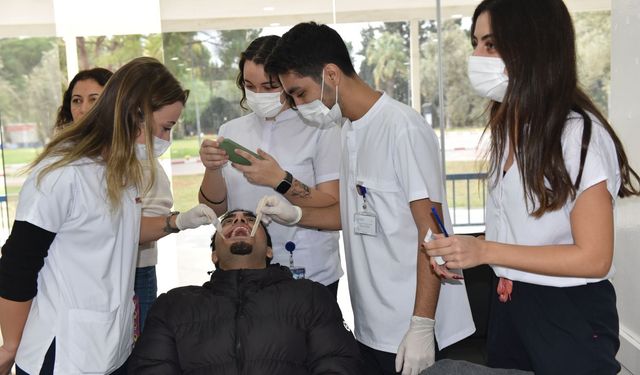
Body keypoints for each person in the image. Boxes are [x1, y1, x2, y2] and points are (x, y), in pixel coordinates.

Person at [424, 1, 640, 374]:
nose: (475, 56)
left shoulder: (578, 134)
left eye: (490, 44)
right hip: (511, 303)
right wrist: (463, 251)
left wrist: (486, 250)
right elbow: (520, 232)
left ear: (533, 46)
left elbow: (594, 257)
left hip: (567, 313)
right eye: (475, 43)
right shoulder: (509, 129)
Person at [260, 22, 475, 375]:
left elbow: (433, 235)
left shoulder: (401, 128)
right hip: (371, 324)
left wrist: (422, 324)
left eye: (299, 93)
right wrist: (295, 215)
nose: (298, 106)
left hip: (413, 324)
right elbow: (351, 214)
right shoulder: (347, 130)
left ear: (331, 74)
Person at [0, 57, 210, 374]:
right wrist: (11, 346)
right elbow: (17, 264)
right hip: (63, 351)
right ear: (134, 114)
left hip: (111, 345)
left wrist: (178, 221)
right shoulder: (63, 173)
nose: (166, 140)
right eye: (165, 127)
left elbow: (116, 232)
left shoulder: (120, 171)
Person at [128, 209, 364, 374]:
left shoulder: (311, 297)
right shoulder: (173, 306)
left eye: (251, 220)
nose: (240, 221)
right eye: (229, 221)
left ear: (269, 251)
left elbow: (338, 364)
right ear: (214, 255)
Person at [198, 35, 343, 297]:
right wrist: (212, 169)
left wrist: (280, 179)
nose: (258, 95)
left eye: (269, 86)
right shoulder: (231, 130)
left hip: (308, 270)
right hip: (243, 272)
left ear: (288, 81)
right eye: (250, 85)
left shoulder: (320, 128)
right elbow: (214, 209)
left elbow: (333, 206)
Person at [53, 67, 113, 132]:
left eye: (94, 100)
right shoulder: (64, 141)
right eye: (77, 100)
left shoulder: (123, 141)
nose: (83, 109)